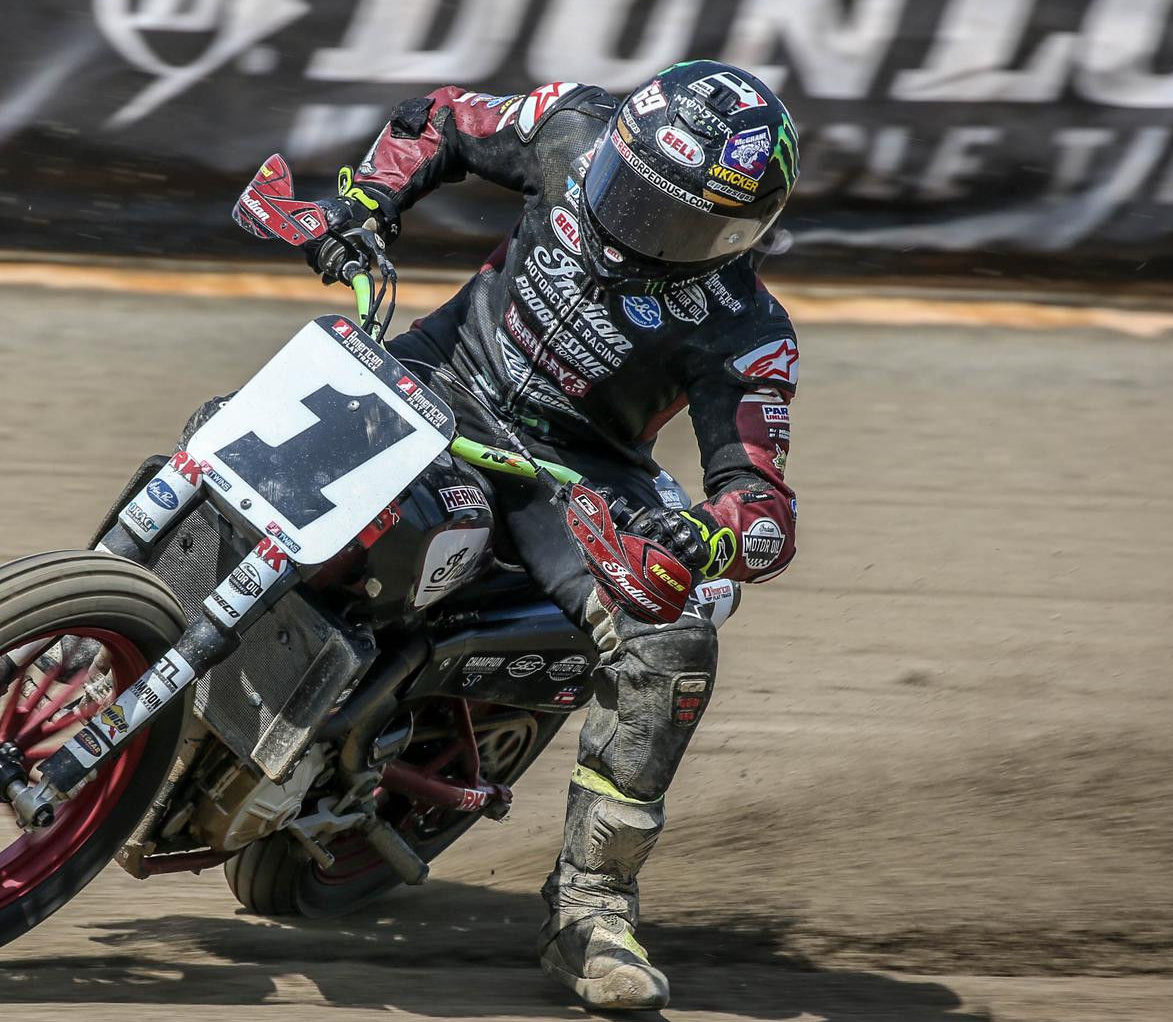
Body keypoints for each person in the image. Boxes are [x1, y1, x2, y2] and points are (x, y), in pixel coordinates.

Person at [305, 60, 801, 1010]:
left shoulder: (747, 330)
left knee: (674, 639)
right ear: (617, 145)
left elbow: (765, 510)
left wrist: (703, 537)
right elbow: (440, 118)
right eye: (628, 191)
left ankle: (591, 906)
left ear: (739, 236)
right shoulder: (574, 123)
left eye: (674, 221)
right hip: (435, 375)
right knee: (229, 431)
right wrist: (364, 203)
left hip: (563, 473)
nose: (633, 226)